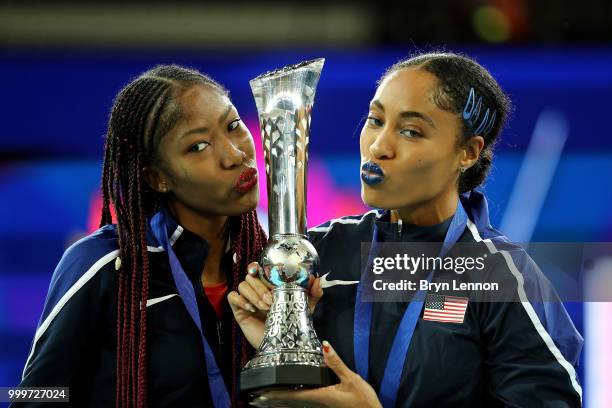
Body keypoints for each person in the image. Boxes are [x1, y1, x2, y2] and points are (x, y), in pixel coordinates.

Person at [230, 52, 583, 407]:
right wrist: (270, 345)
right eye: (375, 120)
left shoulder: (501, 278)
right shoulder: (315, 254)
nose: (379, 146)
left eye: (411, 131)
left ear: (468, 153)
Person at [16, 65, 268, 407]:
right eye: (198, 146)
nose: (235, 154)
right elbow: (30, 395)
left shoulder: (272, 263)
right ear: (156, 178)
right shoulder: (105, 264)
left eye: (233, 126)